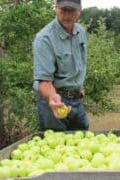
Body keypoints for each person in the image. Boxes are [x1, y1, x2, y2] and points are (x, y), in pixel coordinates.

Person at [32, 0, 89, 131]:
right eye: (64, 10)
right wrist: (53, 98)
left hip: (76, 99)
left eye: (72, 10)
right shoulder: (44, 39)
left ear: (80, 10)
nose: (67, 15)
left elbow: (79, 64)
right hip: (54, 101)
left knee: (82, 140)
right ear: (56, 8)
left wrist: (77, 86)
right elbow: (44, 82)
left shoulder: (81, 32)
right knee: (57, 145)